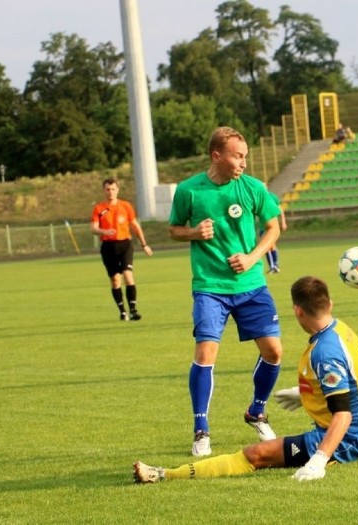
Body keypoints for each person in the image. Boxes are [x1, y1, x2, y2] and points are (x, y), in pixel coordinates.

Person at [133, 276, 358, 484]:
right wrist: (307, 393)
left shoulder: (326, 352)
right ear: (329, 303)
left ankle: (166, 474)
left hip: (343, 436)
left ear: (297, 310)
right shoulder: (341, 329)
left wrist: (319, 460)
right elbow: (354, 382)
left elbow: (343, 414)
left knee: (256, 454)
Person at [168, 126, 284, 457]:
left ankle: (257, 411)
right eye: (237, 156)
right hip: (210, 287)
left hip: (251, 286)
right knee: (205, 353)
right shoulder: (189, 191)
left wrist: (251, 258)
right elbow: (174, 230)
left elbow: (273, 227)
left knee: (274, 351)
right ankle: (201, 429)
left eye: (245, 156)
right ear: (217, 156)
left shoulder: (251, 188)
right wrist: (192, 232)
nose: (244, 163)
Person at [90, 178, 153, 321]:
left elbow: (135, 225)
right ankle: (122, 311)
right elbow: (93, 228)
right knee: (115, 280)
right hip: (108, 247)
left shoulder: (125, 206)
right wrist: (104, 232)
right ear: (104, 191)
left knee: (128, 275)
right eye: (107, 189)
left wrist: (144, 244)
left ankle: (133, 310)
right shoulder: (101, 209)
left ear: (117, 190)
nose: (110, 192)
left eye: (113, 189)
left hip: (125, 244)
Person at [263, 191, 288, 273]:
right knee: (270, 246)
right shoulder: (257, 195)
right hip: (262, 226)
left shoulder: (272, 197)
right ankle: (275, 266)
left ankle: (273, 266)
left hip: (271, 225)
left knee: (269, 246)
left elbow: (280, 210)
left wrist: (283, 221)